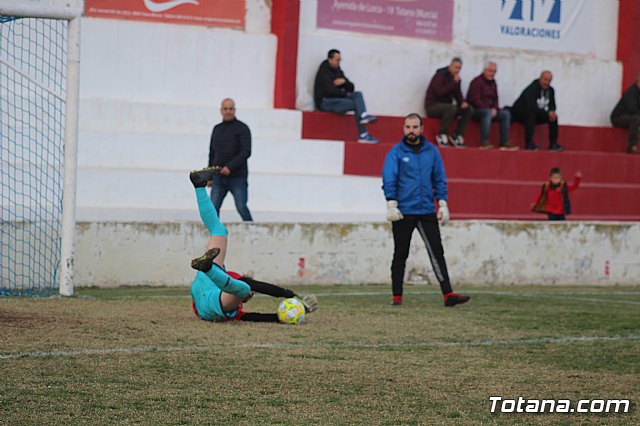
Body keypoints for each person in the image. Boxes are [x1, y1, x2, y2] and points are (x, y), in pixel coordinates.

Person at [189, 166, 318, 322]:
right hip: (208, 290)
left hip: (206, 294)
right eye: (252, 294)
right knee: (219, 231)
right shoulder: (236, 285)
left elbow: (257, 317)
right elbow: (251, 284)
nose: (251, 295)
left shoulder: (236, 309)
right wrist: (288, 294)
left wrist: (299, 310)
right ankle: (199, 185)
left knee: (241, 287)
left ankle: (208, 267)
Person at [381, 113, 470, 307]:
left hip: (427, 210)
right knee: (400, 254)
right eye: (407, 127)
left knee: (437, 252)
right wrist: (391, 203)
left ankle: (448, 294)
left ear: (421, 129)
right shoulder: (395, 152)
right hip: (403, 211)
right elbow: (389, 178)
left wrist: (443, 203)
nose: (411, 131)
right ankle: (397, 297)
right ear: (403, 129)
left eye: (414, 127)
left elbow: (439, 178)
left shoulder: (432, 152)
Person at [314, 49, 379, 144]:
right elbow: (330, 91)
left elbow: (351, 87)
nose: (339, 62)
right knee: (355, 104)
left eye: (340, 60)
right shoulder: (323, 72)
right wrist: (345, 93)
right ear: (330, 60)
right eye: (337, 60)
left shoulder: (338, 71)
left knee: (358, 94)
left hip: (338, 100)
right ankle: (363, 134)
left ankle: (363, 116)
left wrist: (344, 82)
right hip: (326, 102)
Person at [208, 98, 253, 221]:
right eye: (225, 109)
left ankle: (252, 232)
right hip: (218, 177)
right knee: (213, 208)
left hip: (237, 177)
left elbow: (246, 152)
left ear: (235, 110)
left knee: (241, 207)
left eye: (231, 109)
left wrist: (230, 167)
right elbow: (212, 153)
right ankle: (215, 235)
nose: (228, 111)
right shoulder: (217, 129)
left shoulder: (243, 128)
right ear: (221, 110)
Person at [467, 61, 518, 151]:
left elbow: (495, 99)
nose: (492, 73)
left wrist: (495, 108)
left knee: (505, 114)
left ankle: (504, 142)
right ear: (484, 70)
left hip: (490, 110)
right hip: (476, 111)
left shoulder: (493, 83)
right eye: (490, 71)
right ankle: (484, 142)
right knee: (487, 113)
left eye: (494, 71)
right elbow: (475, 100)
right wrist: (489, 109)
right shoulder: (476, 82)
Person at [424, 57, 474, 148]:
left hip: (447, 108)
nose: (457, 70)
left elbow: (458, 94)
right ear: (450, 66)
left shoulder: (456, 79)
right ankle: (442, 134)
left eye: (459, 68)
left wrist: (462, 102)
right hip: (433, 107)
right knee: (451, 108)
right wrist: (453, 83)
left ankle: (457, 135)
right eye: (456, 68)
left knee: (468, 109)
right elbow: (440, 93)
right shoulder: (440, 76)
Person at [511, 71, 563, 152]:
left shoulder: (551, 91)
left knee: (554, 117)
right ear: (540, 78)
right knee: (531, 114)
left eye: (549, 80)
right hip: (520, 112)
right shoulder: (532, 88)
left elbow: (552, 105)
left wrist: (551, 112)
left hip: (536, 113)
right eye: (545, 79)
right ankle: (529, 143)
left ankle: (553, 144)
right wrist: (547, 113)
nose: (547, 82)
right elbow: (531, 106)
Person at [610, 74, 640, 155]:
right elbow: (632, 109)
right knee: (636, 119)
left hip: (629, 117)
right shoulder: (631, 92)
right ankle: (632, 147)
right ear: (638, 82)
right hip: (617, 118)